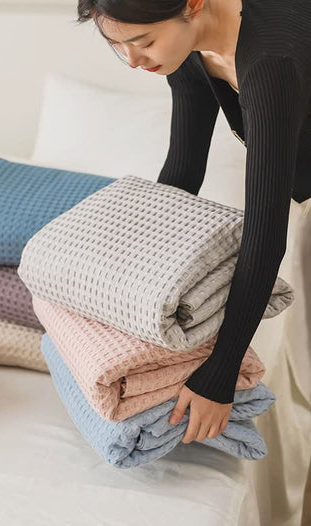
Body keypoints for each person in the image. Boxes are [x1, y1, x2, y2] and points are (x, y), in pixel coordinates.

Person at [75, 0, 311, 447]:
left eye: (143, 41)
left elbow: (264, 232)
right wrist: (134, 294)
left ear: (194, 4)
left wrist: (220, 375)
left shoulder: (272, 60)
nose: (134, 60)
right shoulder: (188, 52)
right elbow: (181, 177)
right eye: (118, 47)